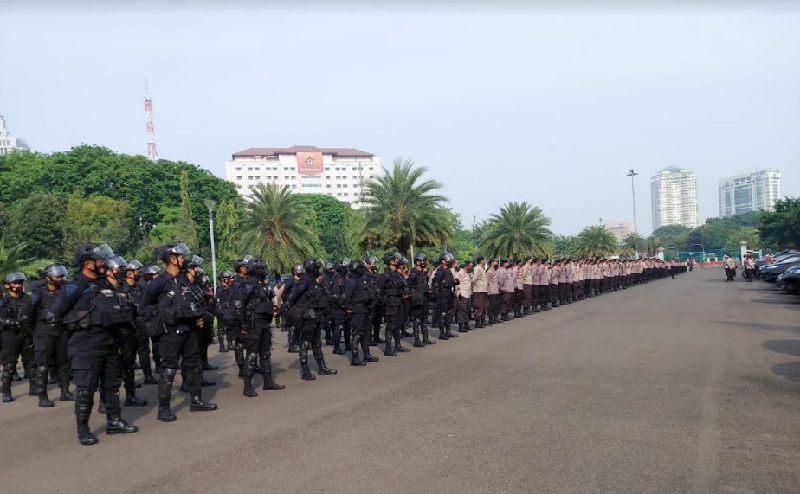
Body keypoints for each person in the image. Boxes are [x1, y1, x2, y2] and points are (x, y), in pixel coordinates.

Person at [47, 243, 139, 445]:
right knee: (86, 388)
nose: (104, 264)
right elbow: (54, 316)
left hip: (110, 343)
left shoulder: (106, 285)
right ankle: (83, 428)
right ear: (88, 264)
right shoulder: (74, 286)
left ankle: (114, 421)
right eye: (100, 261)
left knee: (113, 384)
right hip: (85, 345)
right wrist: (76, 330)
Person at [141, 242, 217, 423]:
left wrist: (201, 316)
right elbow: (144, 308)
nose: (184, 259)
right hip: (170, 332)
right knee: (168, 369)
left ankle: (196, 400)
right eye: (181, 257)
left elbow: (199, 302)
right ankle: (164, 409)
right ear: (173, 259)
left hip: (190, 329)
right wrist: (166, 316)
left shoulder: (185, 281)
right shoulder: (158, 283)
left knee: (194, 364)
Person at [24, 265, 74, 406]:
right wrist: (33, 333)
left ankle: (65, 392)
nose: (62, 279)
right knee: (43, 366)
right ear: (48, 278)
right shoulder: (38, 293)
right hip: (43, 332)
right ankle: (42, 396)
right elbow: (26, 315)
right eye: (58, 277)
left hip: (61, 331)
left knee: (64, 364)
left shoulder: (64, 291)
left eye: (62, 276)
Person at [285, 257, 338, 380]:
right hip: (307, 317)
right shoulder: (304, 282)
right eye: (316, 267)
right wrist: (289, 312)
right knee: (305, 342)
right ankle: (305, 371)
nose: (318, 270)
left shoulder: (313, 282)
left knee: (317, 342)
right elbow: (291, 298)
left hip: (316, 316)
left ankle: (322, 367)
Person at [1, 272, 35, 402]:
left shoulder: (28, 299)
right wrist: (10, 322)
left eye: (20, 283)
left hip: (26, 333)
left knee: (31, 362)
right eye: (15, 283)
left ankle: (34, 387)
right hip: (11, 334)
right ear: (8, 285)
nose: (18, 286)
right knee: (9, 364)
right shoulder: (4, 302)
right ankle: (6, 391)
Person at [344, 260, 380, 366]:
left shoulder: (362, 280)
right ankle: (355, 358)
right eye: (361, 267)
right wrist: (349, 309)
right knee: (357, 333)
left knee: (366, 333)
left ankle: (367, 355)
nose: (363, 269)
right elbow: (347, 297)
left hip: (365, 309)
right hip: (357, 310)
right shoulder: (351, 281)